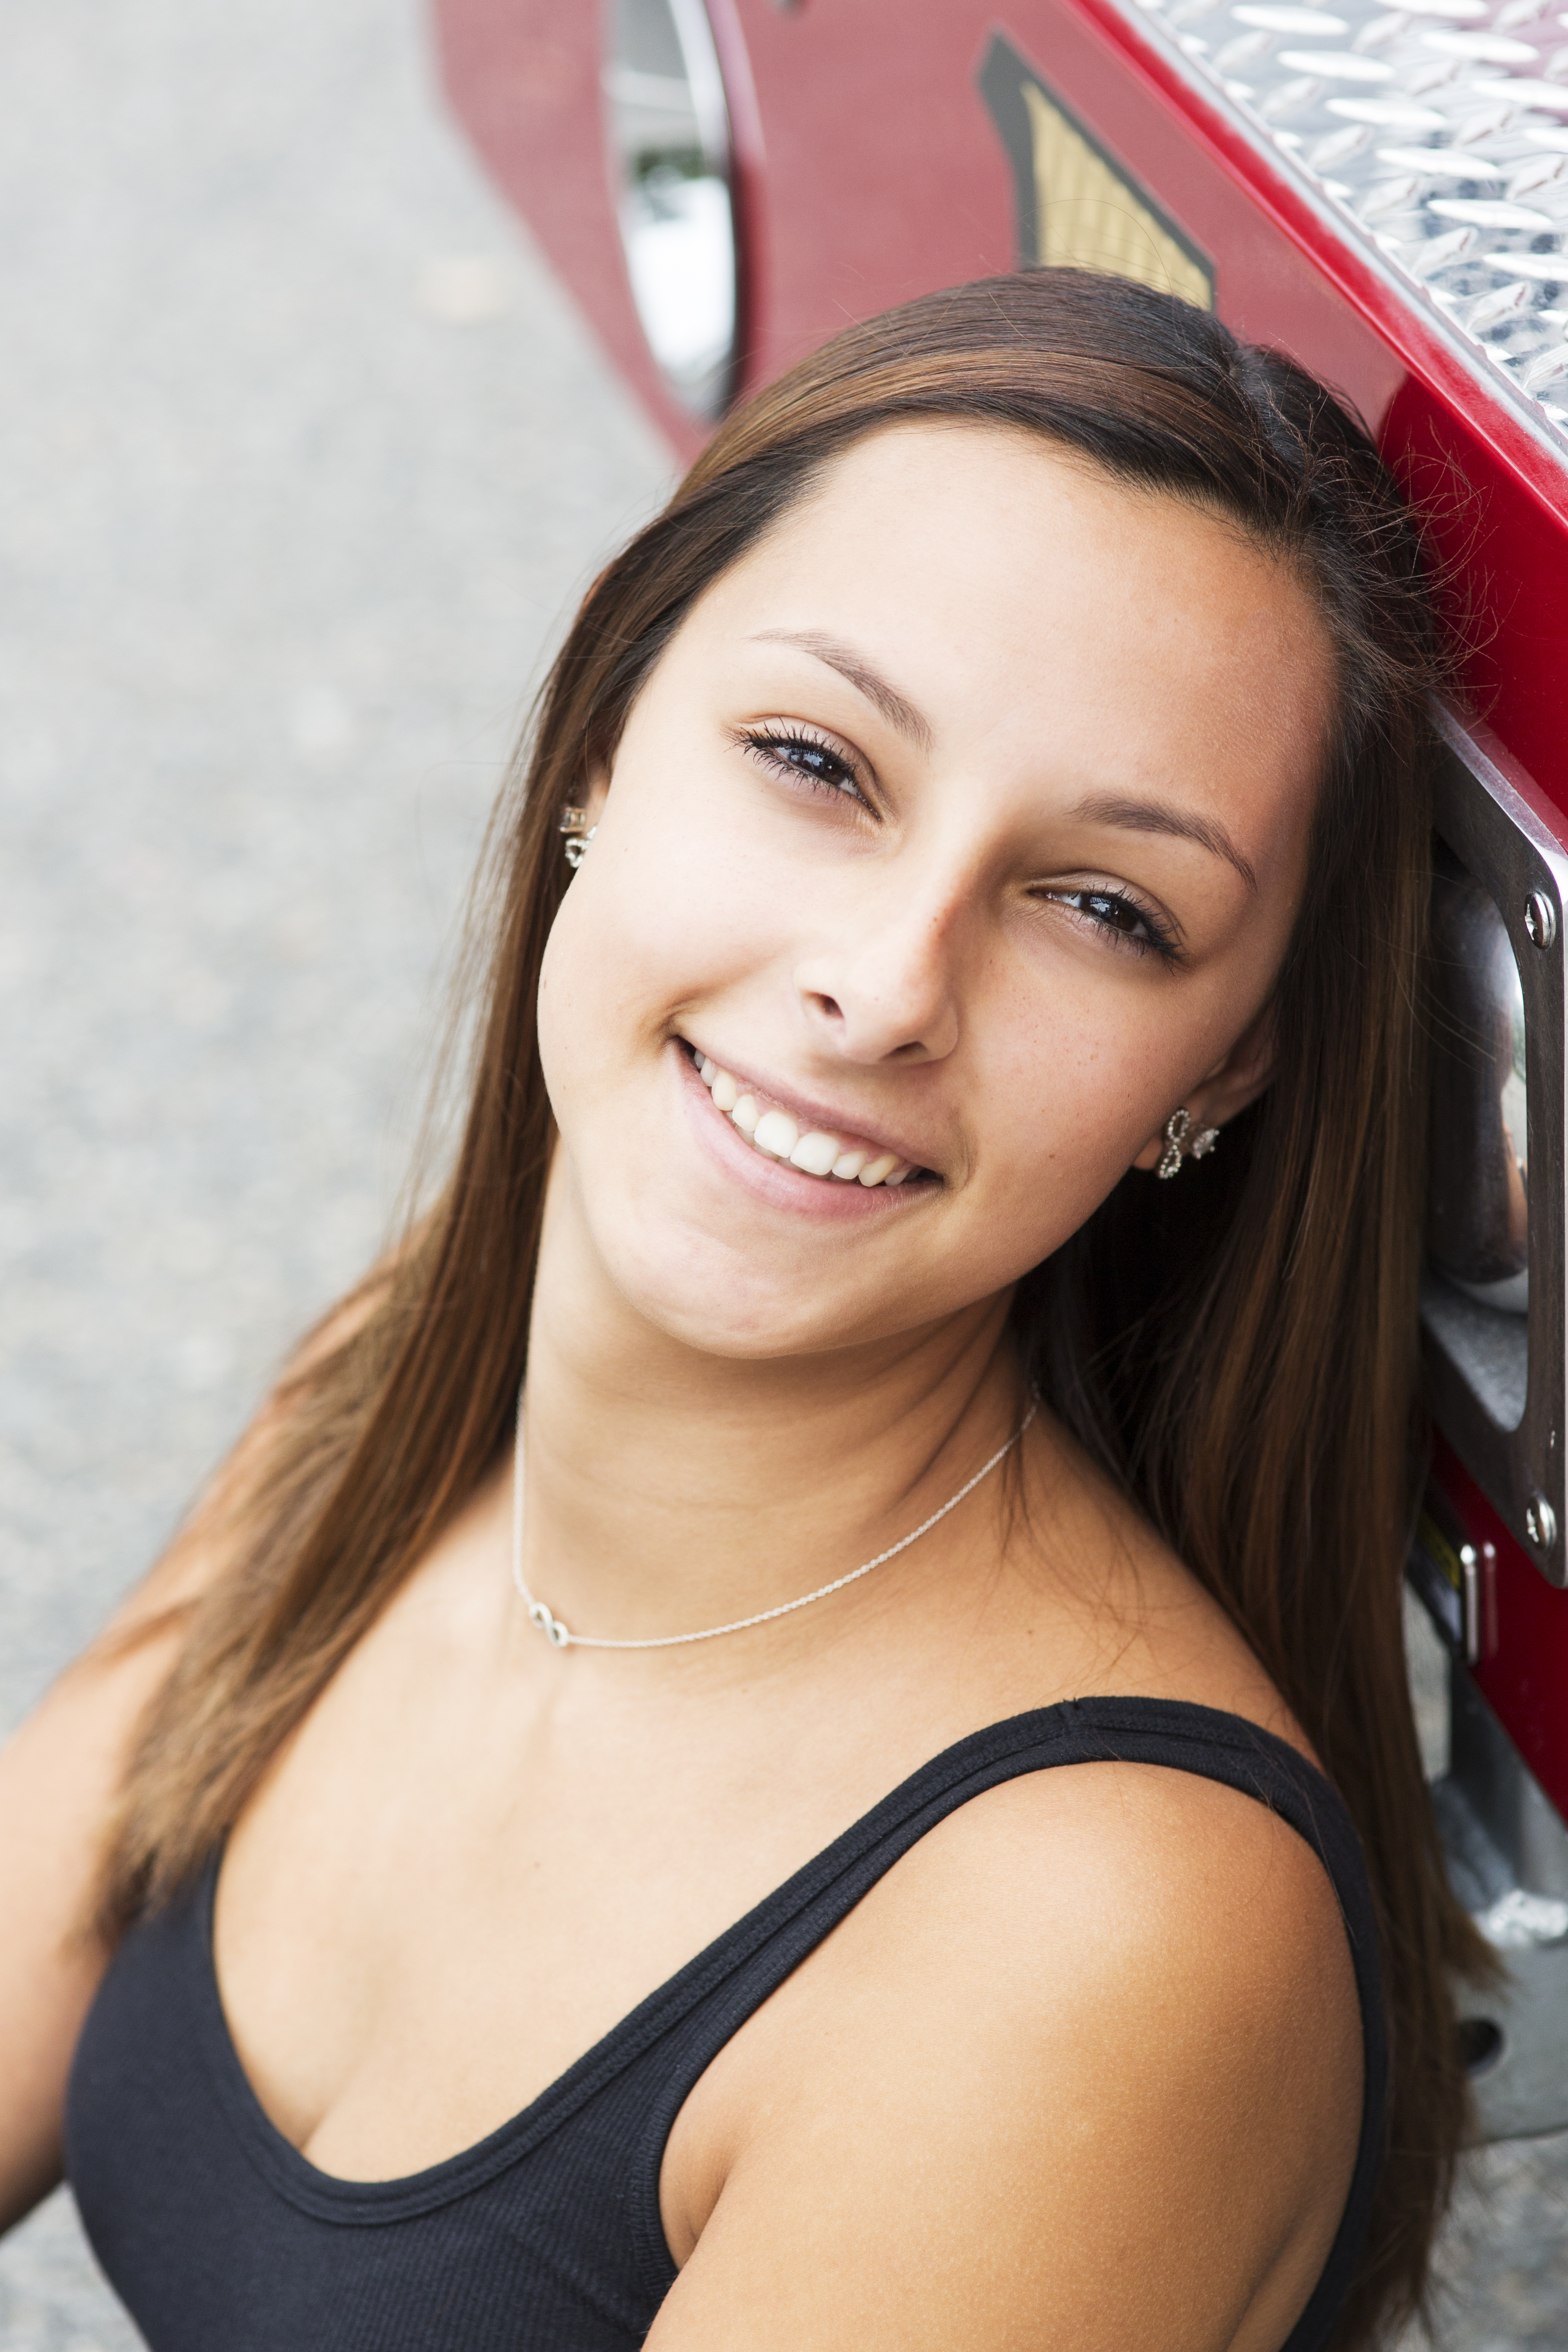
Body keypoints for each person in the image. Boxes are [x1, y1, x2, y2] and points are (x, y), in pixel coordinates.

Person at [0, 270, 1484, 2352]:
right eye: (816, 759)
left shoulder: (1087, 1937)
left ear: (1214, 1078)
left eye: (1101, 907)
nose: (885, 982)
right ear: (608, 732)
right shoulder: (390, 1393)